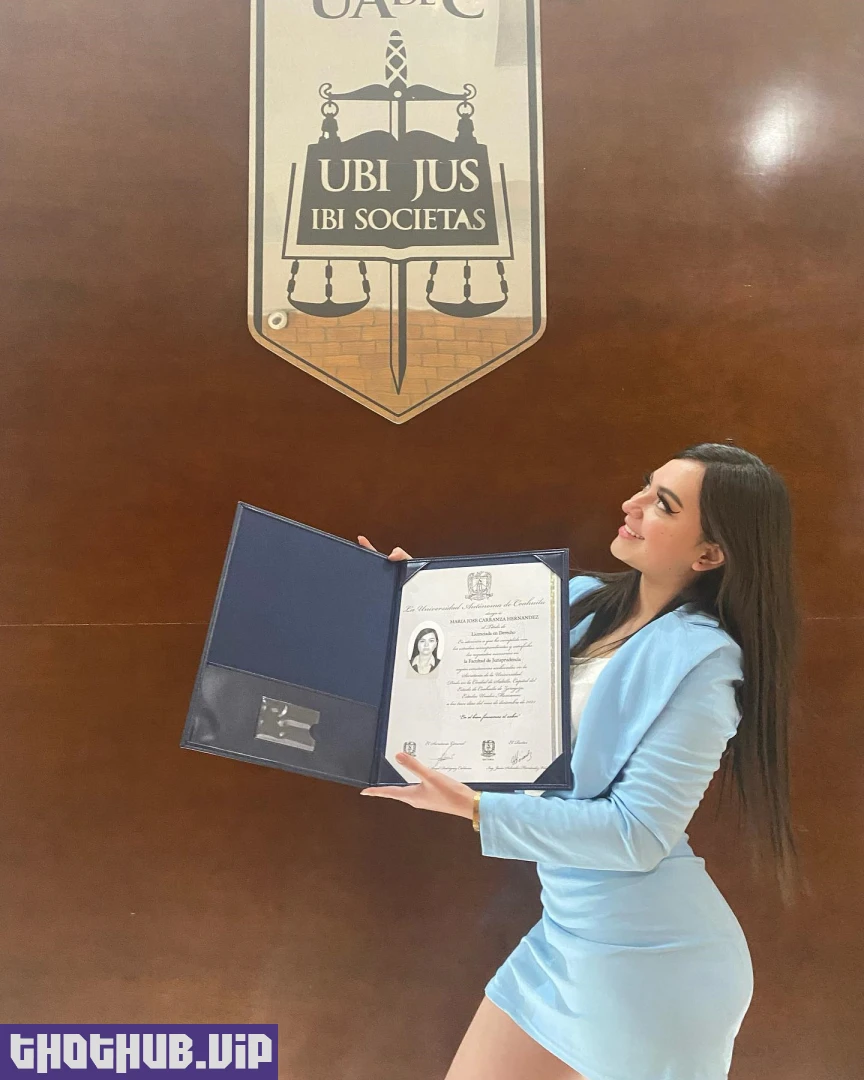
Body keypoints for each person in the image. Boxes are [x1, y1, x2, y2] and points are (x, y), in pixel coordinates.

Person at [357, 442, 804, 1080]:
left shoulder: (705, 661)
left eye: (664, 505)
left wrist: (476, 808)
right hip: (565, 935)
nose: (632, 504)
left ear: (709, 554)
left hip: (655, 961)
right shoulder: (574, 599)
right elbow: (482, 687)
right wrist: (419, 602)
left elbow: (636, 835)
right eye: (645, 486)